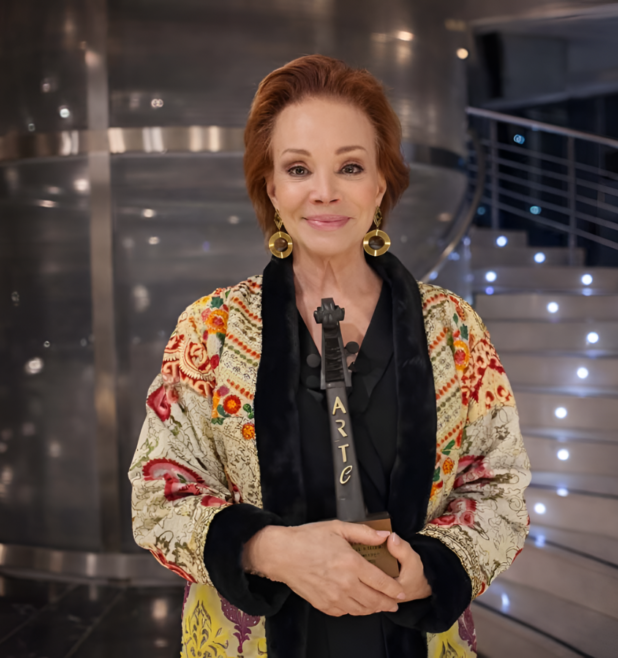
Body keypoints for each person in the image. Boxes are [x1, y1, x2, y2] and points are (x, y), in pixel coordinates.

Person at [128, 54, 531, 657]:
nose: (324, 192)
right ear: (271, 186)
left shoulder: (453, 328)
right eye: (298, 168)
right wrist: (270, 550)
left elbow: (499, 486)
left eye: (350, 166)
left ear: (380, 183)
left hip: (412, 636)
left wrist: (433, 570)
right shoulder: (212, 328)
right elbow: (157, 494)